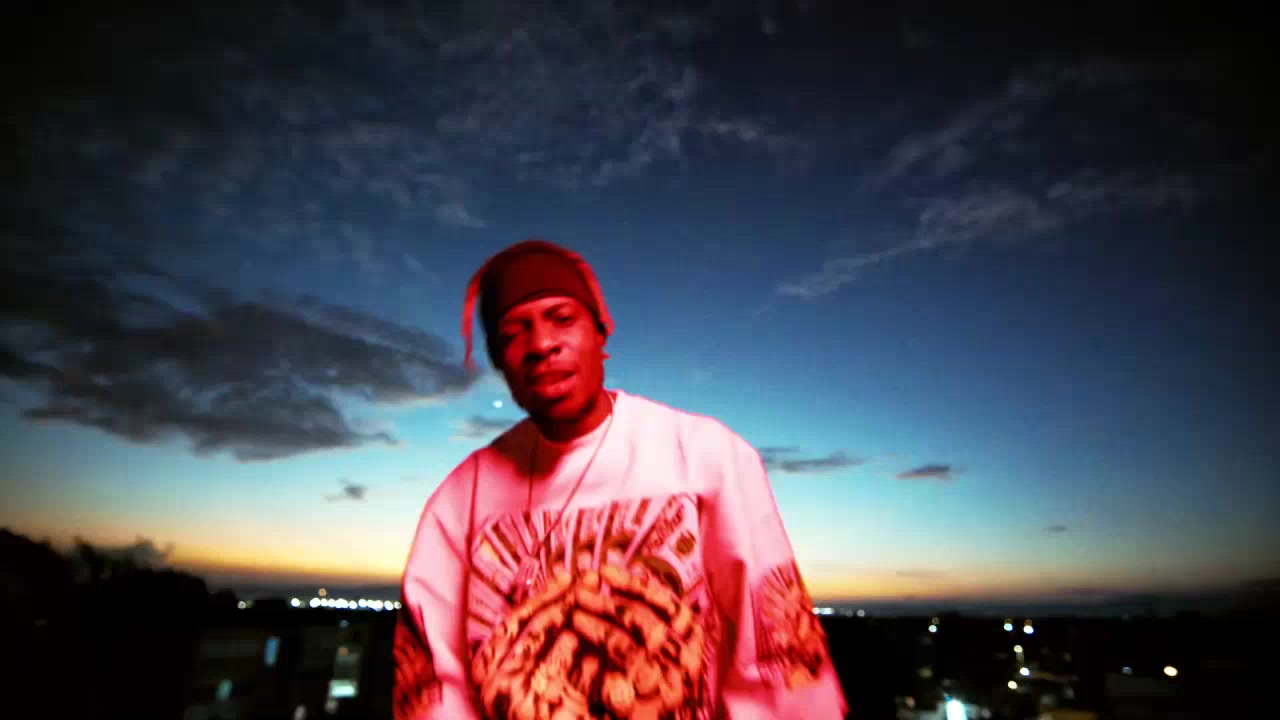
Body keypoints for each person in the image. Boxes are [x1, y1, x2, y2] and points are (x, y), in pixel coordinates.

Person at [394, 239, 848, 720]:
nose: (541, 345)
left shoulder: (705, 457)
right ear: (501, 361)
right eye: (513, 333)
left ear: (600, 333)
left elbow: (778, 660)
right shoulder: (458, 502)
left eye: (562, 319)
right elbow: (433, 693)